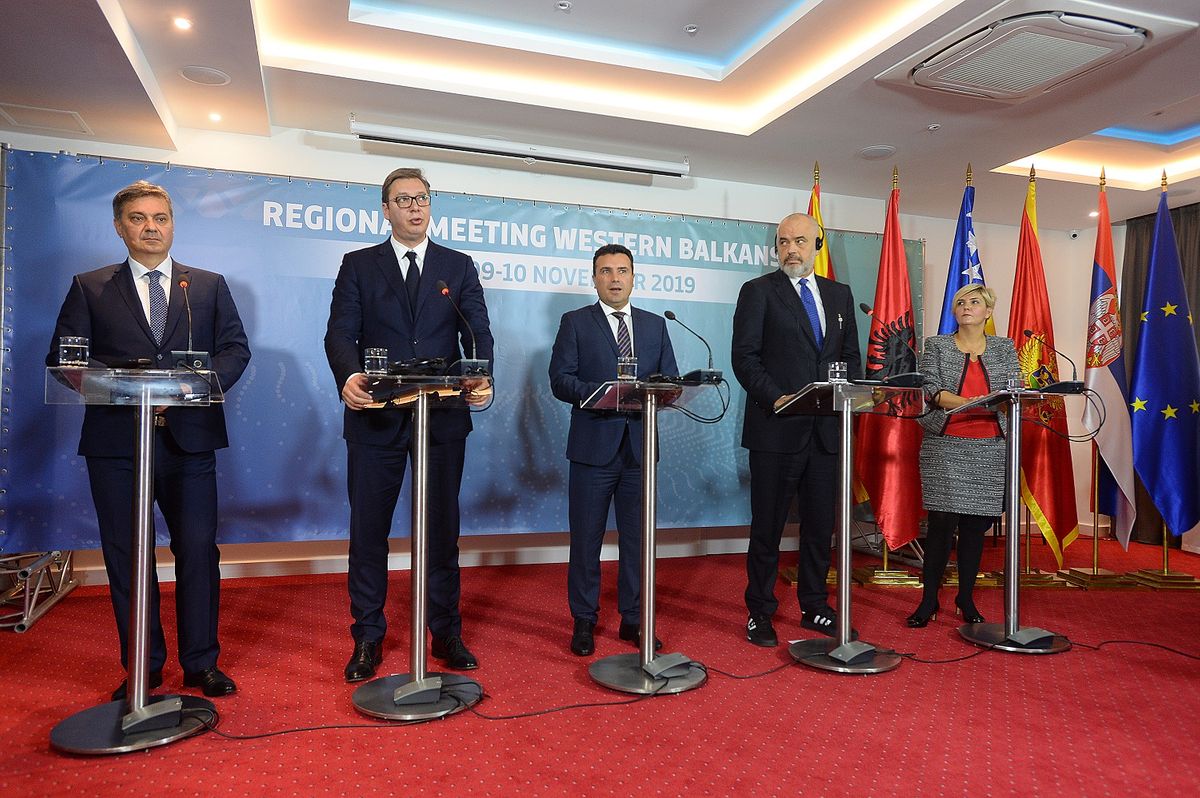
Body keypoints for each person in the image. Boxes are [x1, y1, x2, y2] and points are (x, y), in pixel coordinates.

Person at [46, 180, 251, 699]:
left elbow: (234, 350)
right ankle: (144, 666)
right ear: (119, 227)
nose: (151, 227)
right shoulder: (89, 286)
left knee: (199, 552)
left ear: (173, 223)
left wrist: (187, 388)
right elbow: (66, 360)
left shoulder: (205, 286)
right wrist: (121, 389)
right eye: (138, 218)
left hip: (190, 443)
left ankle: (201, 663)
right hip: (117, 445)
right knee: (127, 557)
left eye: (160, 217)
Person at [325, 167, 494, 681]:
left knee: (442, 529)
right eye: (403, 200)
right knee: (369, 532)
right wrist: (349, 376)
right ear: (385, 209)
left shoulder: (457, 266)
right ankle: (368, 637)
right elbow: (339, 333)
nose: (415, 207)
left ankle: (445, 633)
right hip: (377, 417)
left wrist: (482, 373)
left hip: (440, 417)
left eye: (421, 198)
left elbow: (478, 331)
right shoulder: (359, 265)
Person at [731, 212, 860, 647]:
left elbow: (852, 360)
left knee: (820, 527)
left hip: (826, 434)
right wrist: (777, 397)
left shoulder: (840, 296)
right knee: (766, 526)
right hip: (776, 430)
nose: (791, 249)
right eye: (783, 241)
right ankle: (760, 611)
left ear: (817, 246)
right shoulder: (758, 292)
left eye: (800, 241)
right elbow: (745, 358)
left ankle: (815, 606)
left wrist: (857, 393)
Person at [548, 244, 678, 656]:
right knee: (586, 540)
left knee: (638, 541)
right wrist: (602, 394)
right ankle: (584, 621)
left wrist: (661, 391)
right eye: (606, 271)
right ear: (595, 278)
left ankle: (635, 620)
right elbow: (560, 380)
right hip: (592, 449)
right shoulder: (575, 323)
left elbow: (671, 382)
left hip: (640, 450)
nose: (615, 278)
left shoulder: (656, 325)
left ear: (634, 277)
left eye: (622, 271)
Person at [908, 284, 1021, 627]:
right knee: (941, 527)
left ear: (988, 312)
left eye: (974, 302)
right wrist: (982, 402)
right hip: (946, 446)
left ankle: (965, 598)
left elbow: (1014, 389)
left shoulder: (1005, 348)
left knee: (975, 530)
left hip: (990, 449)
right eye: (960, 302)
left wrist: (988, 403)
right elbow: (932, 391)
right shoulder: (937, 345)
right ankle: (928, 602)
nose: (965, 306)